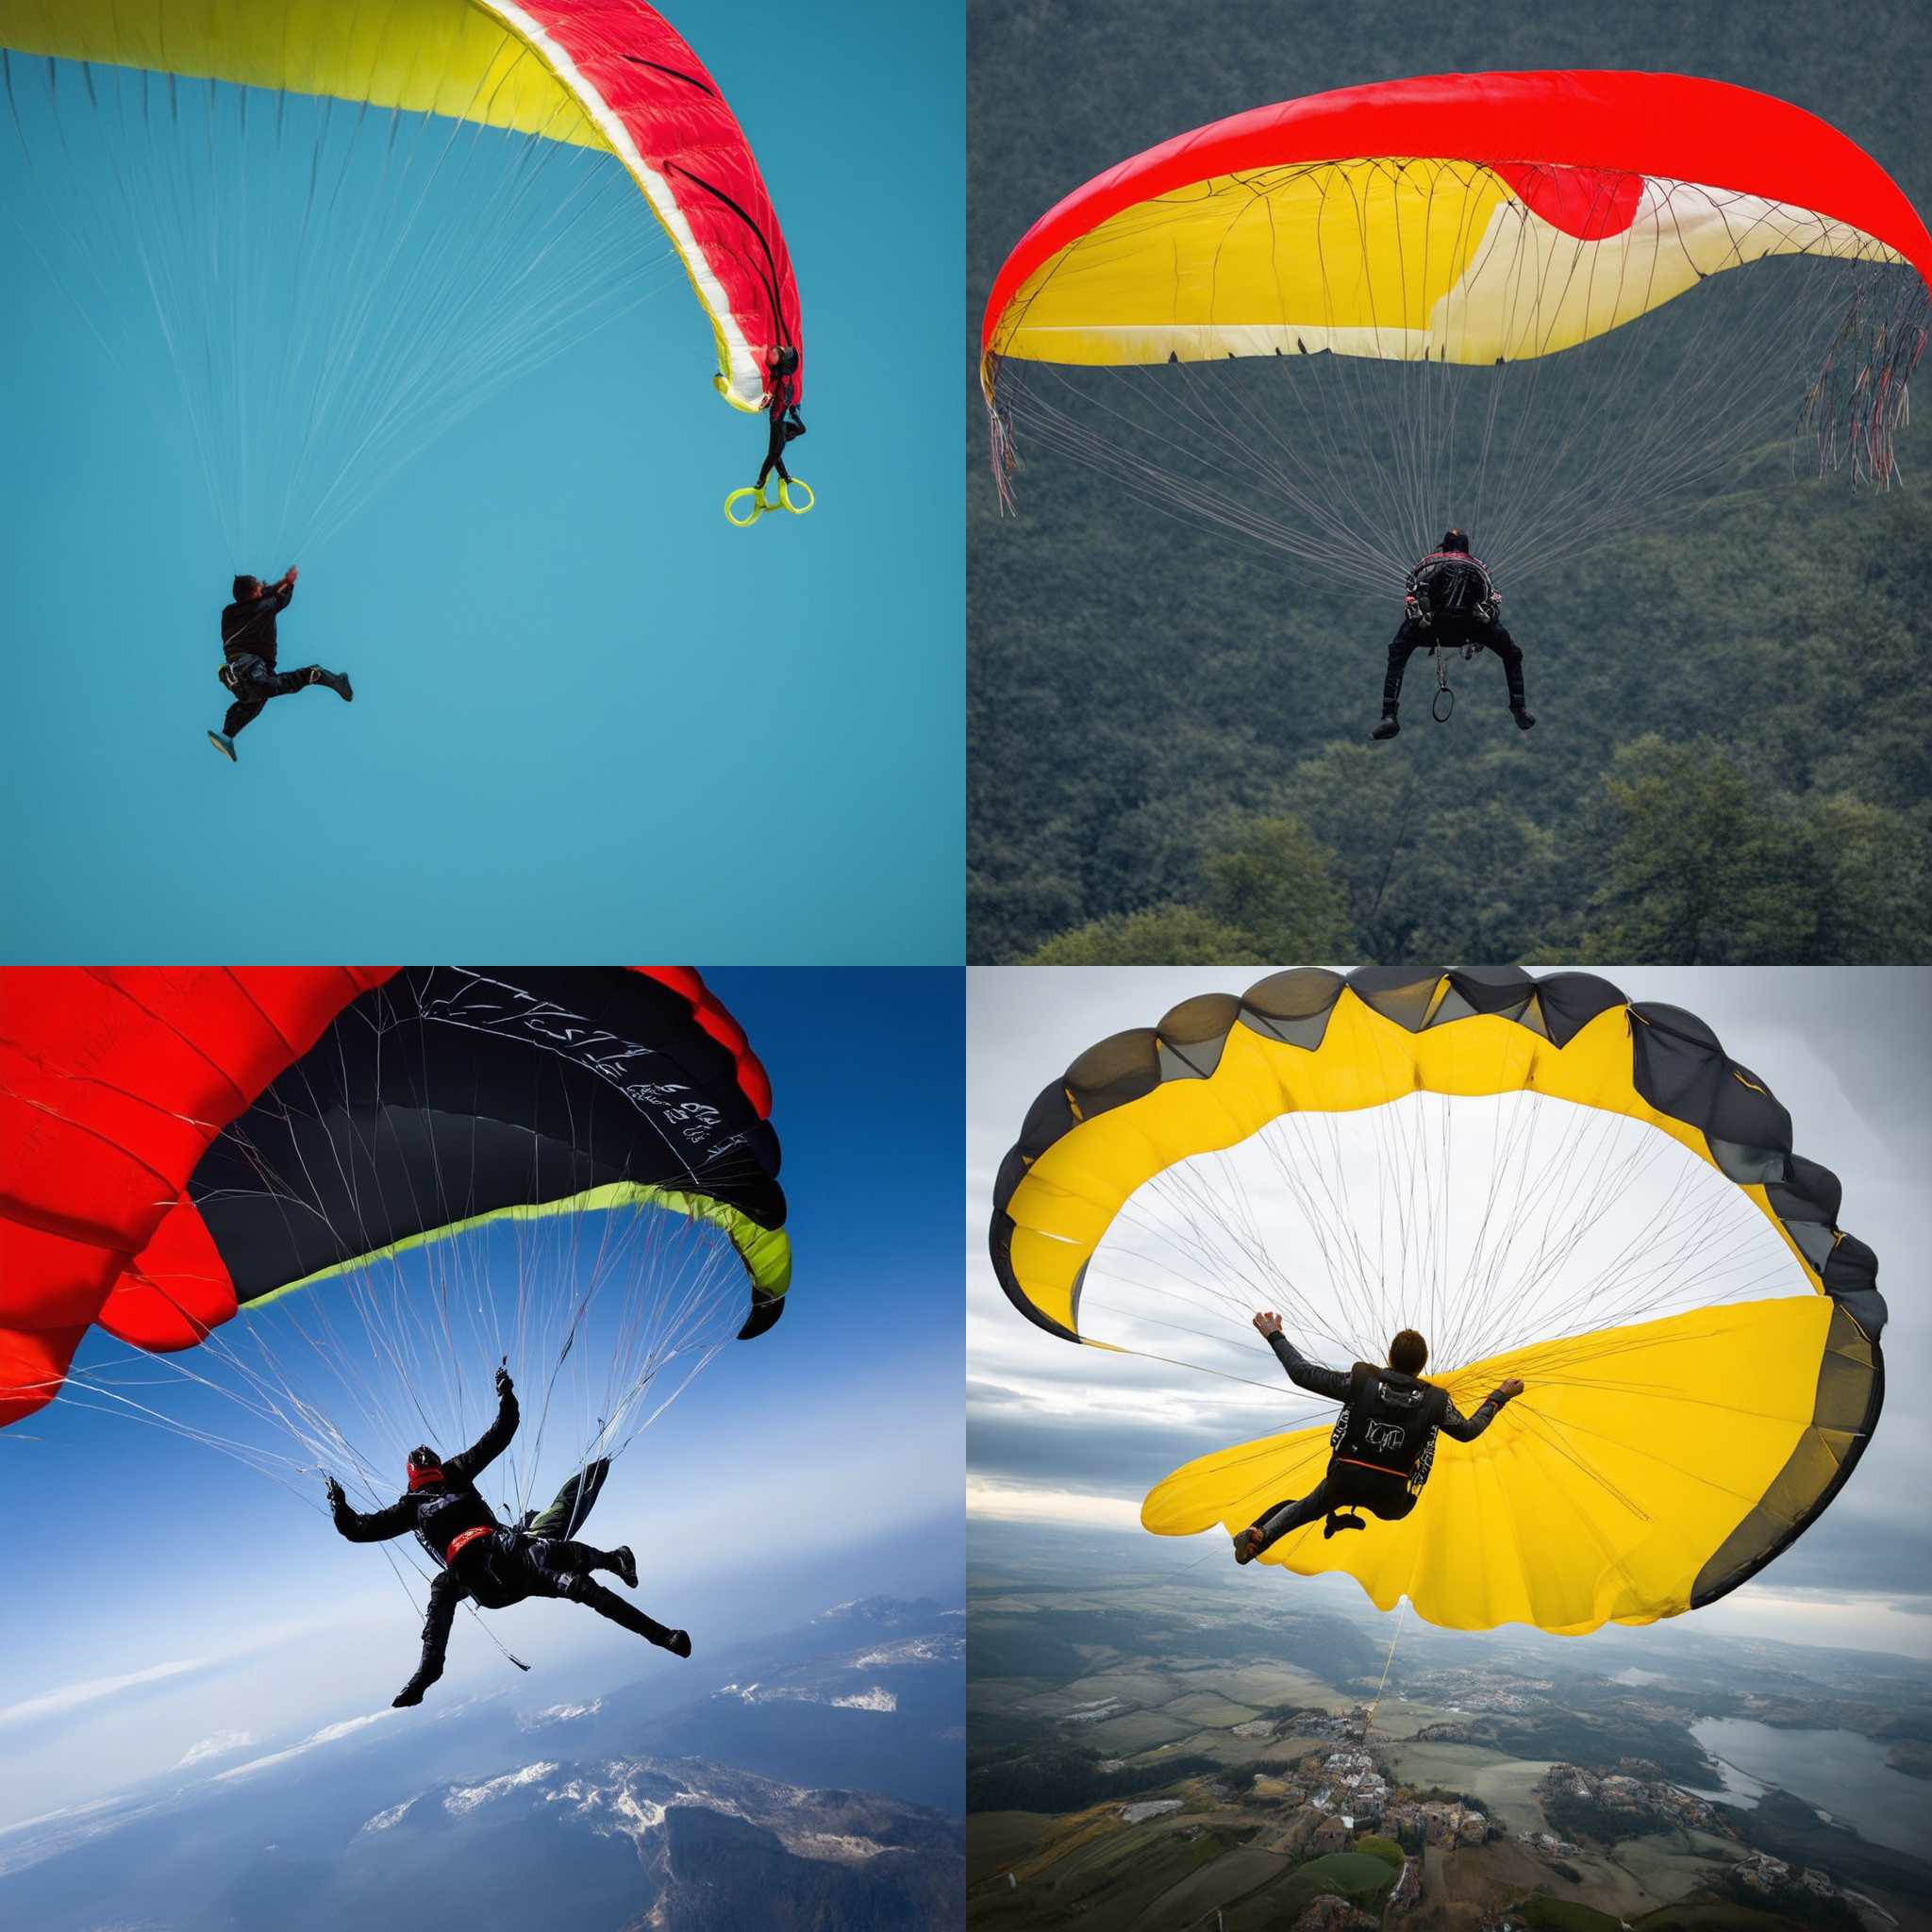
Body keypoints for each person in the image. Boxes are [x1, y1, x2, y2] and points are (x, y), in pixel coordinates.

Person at [325, 1366, 691, 1708]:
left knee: (567, 1571)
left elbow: (501, 1432)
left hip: (508, 1557)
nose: (433, 1481)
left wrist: (506, 1395)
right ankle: (429, 1669)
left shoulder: (454, 1472)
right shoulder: (411, 1506)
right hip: (488, 1573)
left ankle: (639, 1598)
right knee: (455, 1583)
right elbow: (359, 1530)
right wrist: (340, 1507)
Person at [1233, 1314, 1524, 1564]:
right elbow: (1468, 1431)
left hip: (1345, 1477)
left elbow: (1302, 1373)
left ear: (1390, 1357)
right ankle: (1320, 1520)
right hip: (1391, 1495)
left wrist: (1274, 1335)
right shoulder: (1436, 1401)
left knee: (1305, 1507)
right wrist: (1500, 1396)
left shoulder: (1362, 1381)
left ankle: (1262, 1535)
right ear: (1421, 1365)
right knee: (1399, 1510)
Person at [1373, 529, 1534, 740]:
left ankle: (1389, 716)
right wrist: (1486, 619)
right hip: (1471, 628)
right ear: (1466, 548)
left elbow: (1411, 594)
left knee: (1397, 654)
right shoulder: (1478, 566)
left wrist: (1420, 619)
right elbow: (1492, 600)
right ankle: (1519, 707)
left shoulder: (1428, 563)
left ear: (1445, 547)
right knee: (1512, 654)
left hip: (1430, 628)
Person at [208, 567, 353, 761]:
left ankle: (227, 735)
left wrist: (282, 581)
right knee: (265, 686)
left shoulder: (229, 612)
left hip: (240, 675)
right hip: (248, 665)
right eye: (259, 589)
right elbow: (281, 598)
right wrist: (289, 582)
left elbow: (262, 595)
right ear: (254, 595)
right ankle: (317, 674)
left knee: (254, 700)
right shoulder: (263, 607)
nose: (262, 590)